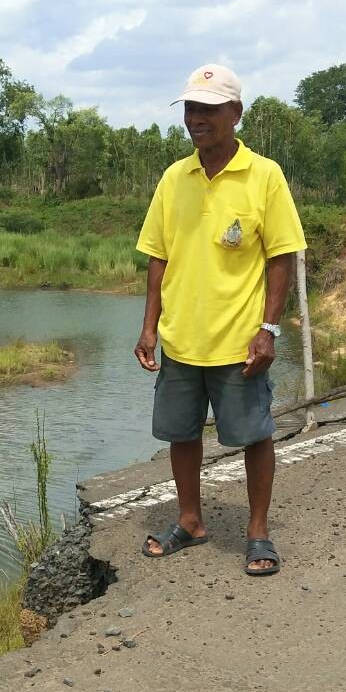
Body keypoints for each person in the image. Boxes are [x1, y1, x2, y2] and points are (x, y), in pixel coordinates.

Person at [134, 63, 307, 575]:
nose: (197, 119)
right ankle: (190, 521)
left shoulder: (265, 176)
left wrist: (269, 329)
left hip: (240, 343)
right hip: (181, 340)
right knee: (181, 434)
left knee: (254, 435)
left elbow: (282, 257)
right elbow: (157, 256)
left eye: (208, 109)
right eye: (191, 108)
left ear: (235, 113)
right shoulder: (174, 177)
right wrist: (149, 327)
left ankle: (257, 532)